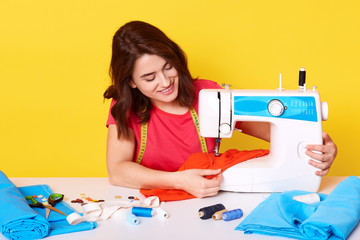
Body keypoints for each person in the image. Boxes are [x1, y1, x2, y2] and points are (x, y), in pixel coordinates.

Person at [104, 21, 338, 198]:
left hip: (210, 200)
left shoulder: (208, 94)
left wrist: (318, 149)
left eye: (168, 67)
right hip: (149, 206)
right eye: (149, 77)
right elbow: (118, 171)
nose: (165, 82)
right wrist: (179, 181)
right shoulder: (125, 108)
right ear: (131, 82)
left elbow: (277, 132)